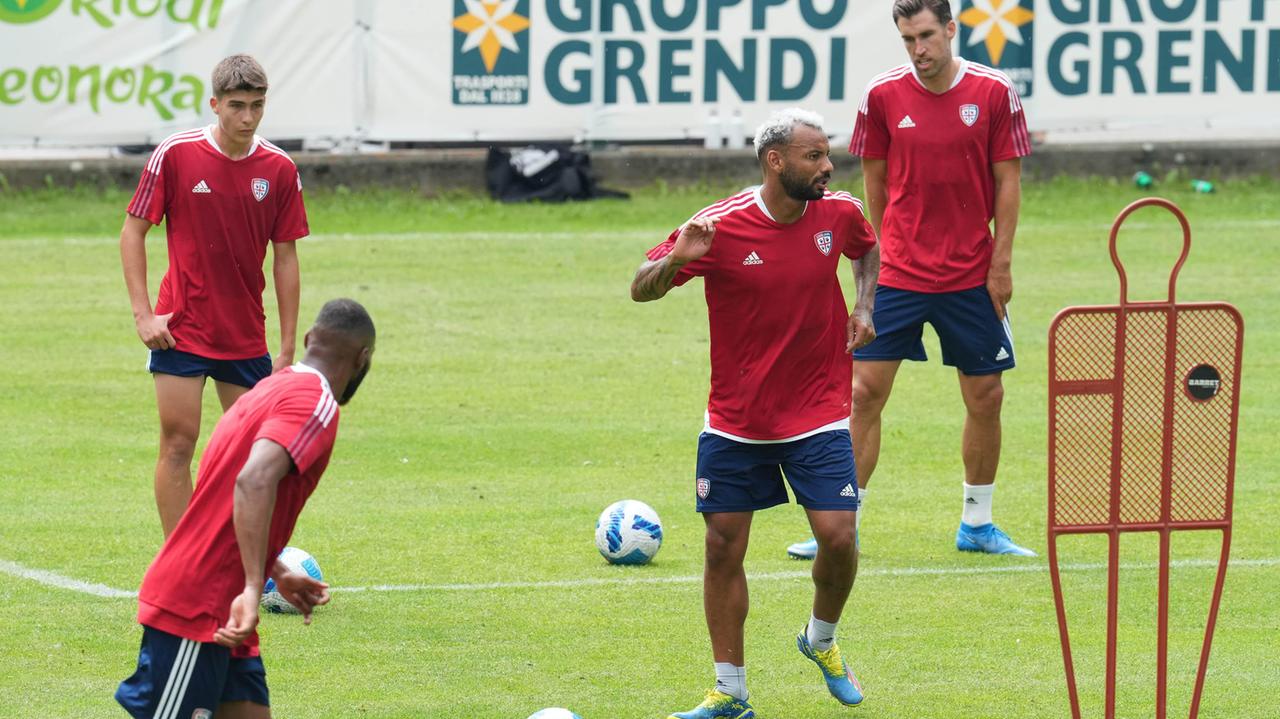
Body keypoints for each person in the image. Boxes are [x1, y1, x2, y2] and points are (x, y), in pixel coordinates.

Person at [633, 108, 880, 719]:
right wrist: (675, 259)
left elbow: (866, 250)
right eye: (814, 157)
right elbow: (641, 287)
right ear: (776, 162)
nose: (828, 167)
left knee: (839, 537)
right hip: (737, 419)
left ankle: (821, 641)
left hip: (819, 408)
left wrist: (864, 306)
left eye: (827, 155)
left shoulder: (839, 211)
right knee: (722, 547)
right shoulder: (717, 225)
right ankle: (730, 691)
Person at [786, 0, 1034, 560]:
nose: (918, 50)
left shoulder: (994, 92)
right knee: (863, 393)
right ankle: (838, 523)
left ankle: (977, 523)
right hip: (898, 275)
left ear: (951, 30)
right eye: (907, 39)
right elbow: (874, 182)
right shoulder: (882, 96)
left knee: (986, 397)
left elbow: (1008, 183)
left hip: (972, 273)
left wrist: (1001, 262)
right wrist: (878, 254)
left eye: (926, 36)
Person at [115, 299, 375, 719]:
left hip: (224, 607)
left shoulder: (270, 388)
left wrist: (273, 570)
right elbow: (252, 481)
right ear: (362, 359)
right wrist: (256, 587)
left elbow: (222, 499)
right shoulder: (316, 404)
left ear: (309, 340)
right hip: (199, 607)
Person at [121, 53, 308, 539]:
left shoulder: (280, 169)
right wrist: (144, 316)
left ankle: (244, 561)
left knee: (253, 455)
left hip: (245, 335)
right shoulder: (176, 155)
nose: (247, 117)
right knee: (179, 445)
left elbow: (284, 257)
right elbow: (132, 233)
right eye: (237, 106)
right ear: (215, 104)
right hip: (180, 330)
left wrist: (286, 349)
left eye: (257, 106)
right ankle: (179, 566)